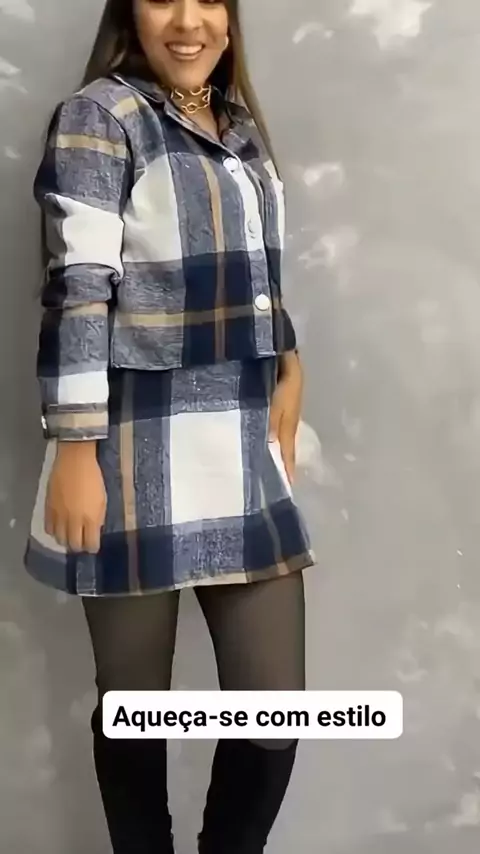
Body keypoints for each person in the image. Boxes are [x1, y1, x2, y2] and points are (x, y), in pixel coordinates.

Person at [24, 0, 315, 851]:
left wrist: (290, 358)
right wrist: (76, 446)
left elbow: (255, 270)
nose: (189, 22)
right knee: (134, 713)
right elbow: (80, 285)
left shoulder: (235, 123)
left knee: (273, 717)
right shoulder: (100, 116)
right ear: (130, 12)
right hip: (130, 445)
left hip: (239, 443)